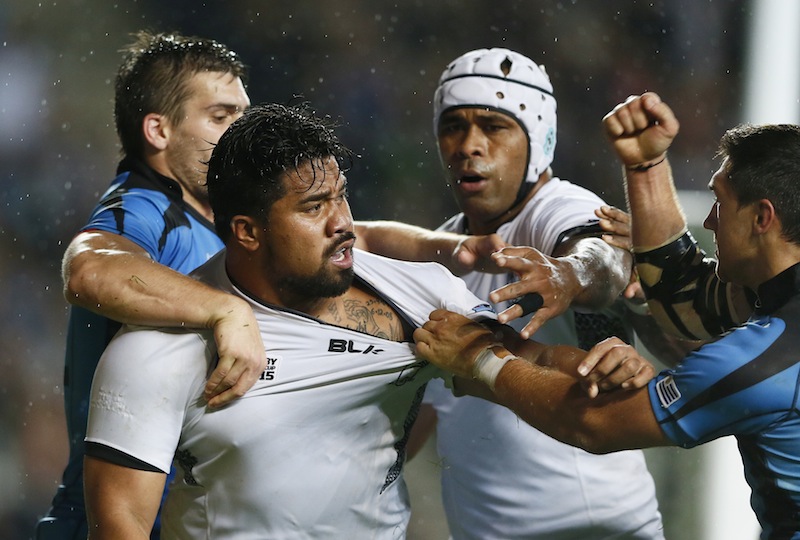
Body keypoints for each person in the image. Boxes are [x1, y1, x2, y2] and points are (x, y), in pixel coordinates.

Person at [80, 102, 640, 538]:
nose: (343, 223)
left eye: (341, 197)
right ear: (247, 231)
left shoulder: (414, 295)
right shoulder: (156, 349)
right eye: (312, 207)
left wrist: (601, 367)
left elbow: (533, 361)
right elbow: (122, 524)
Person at [414, 91, 800, 540]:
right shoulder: (775, 303)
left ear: (762, 218)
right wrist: (645, 167)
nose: (709, 221)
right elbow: (689, 297)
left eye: (719, 202)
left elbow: (596, 423)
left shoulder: (767, 357)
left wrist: (482, 358)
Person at [360, 48, 666, 539]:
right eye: (453, 126)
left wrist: (567, 276)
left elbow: (603, 257)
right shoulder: (445, 253)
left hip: (596, 530)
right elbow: (438, 406)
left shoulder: (556, 208)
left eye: (493, 126)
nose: (468, 145)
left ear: (539, 139)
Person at [36, 31, 264, 540]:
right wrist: (226, 311)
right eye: (221, 117)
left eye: (244, 118)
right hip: (117, 521)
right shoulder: (144, 207)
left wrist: (445, 247)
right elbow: (89, 271)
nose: (241, 134)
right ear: (158, 130)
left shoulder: (218, 220)